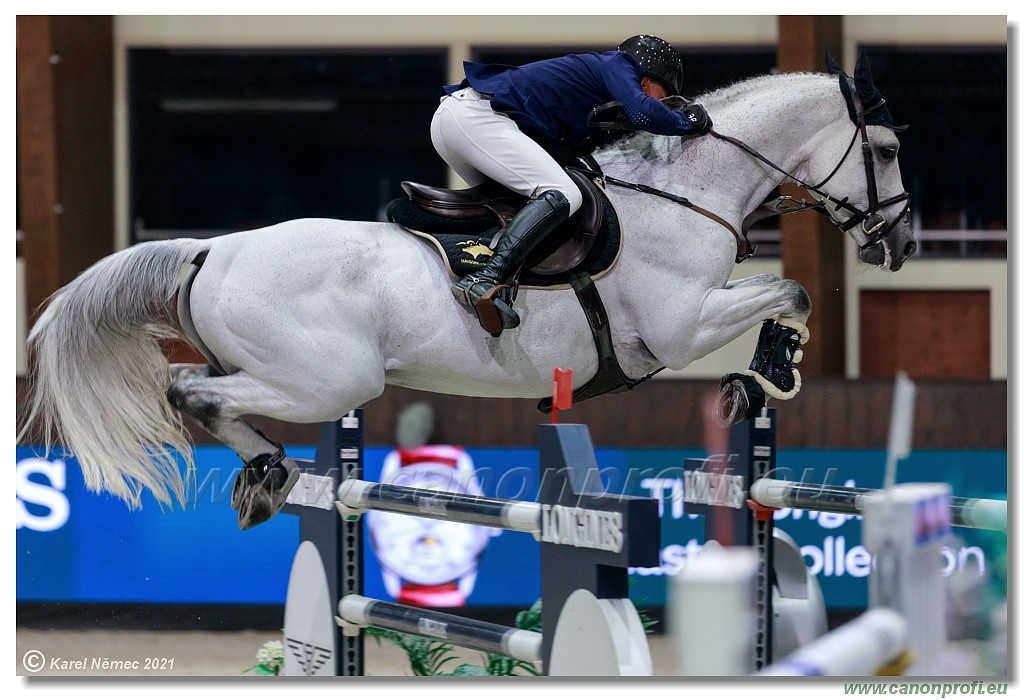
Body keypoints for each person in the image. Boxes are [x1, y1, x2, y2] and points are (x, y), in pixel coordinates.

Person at [431, 35, 714, 336]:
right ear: (646, 82)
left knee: (529, 209)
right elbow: (643, 111)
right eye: (664, 96)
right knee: (564, 194)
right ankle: (486, 279)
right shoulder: (618, 64)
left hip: (459, 123)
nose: (663, 105)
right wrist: (687, 122)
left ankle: (487, 275)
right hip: (475, 117)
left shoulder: (594, 104)